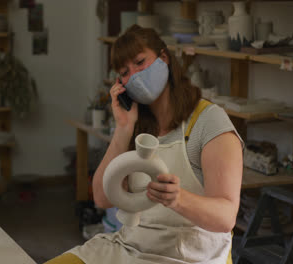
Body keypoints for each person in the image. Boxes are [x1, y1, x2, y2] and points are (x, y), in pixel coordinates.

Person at [45, 25, 243, 264]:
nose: (135, 76)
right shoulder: (137, 125)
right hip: (133, 248)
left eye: (140, 62)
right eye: (125, 72)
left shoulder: (208, 121)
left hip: (192, 256)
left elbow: (225, 218)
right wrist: (124, 128)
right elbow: (102, 198)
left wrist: (178, 199)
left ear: (163, 58)